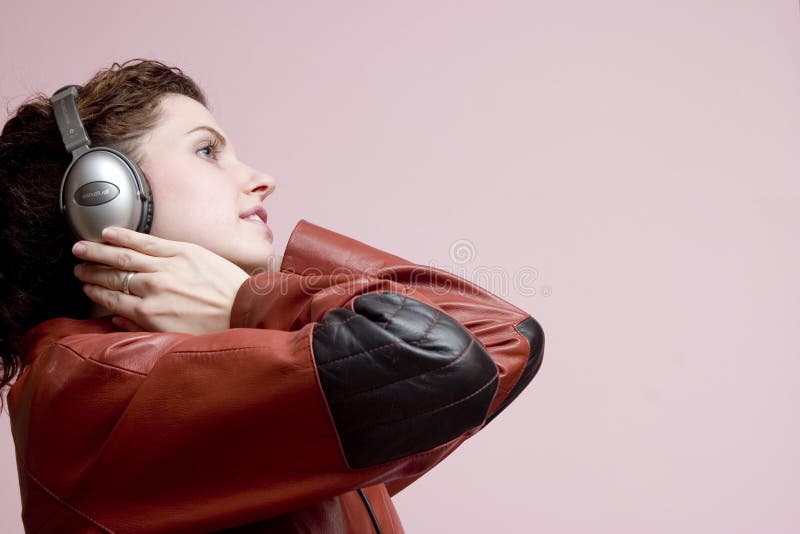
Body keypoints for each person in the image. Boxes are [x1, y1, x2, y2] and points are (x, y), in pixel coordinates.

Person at [0, 58, 545, 533]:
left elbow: (504, 337)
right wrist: (249, 298)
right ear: (104, 196)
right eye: (207, 151)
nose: (263, 179)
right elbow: (444, 358)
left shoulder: (238, 360)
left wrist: (249, 301)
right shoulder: (94, 387)